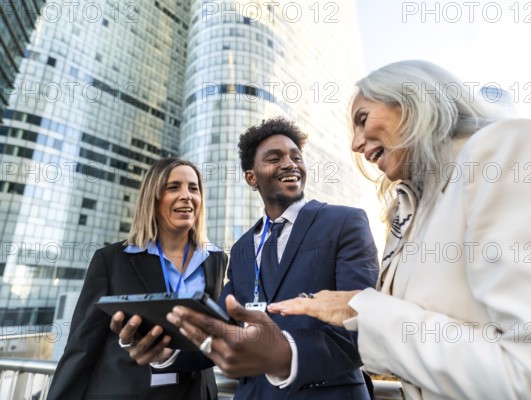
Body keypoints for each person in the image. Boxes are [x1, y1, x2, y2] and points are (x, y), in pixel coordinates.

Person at [267, 60, 531, 399]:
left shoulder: (503, 150)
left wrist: (364, 311)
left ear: (413, 102)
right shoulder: (410, 212)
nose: (355, 143)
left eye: (363, 119)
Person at [127, 117, 380, 399]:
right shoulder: (242, 249)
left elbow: (362, 324)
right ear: (252, 177)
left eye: (296, 157)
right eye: (275, 158)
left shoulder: (345, 222)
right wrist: (166, 354)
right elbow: (221, 333)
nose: (290, 163)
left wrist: (284, 355)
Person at [47, 157, 228, 400]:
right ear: (152, 198)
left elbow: (217, 332)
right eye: (173, 187)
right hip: (127, 392)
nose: (187, 195)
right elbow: (83, 343)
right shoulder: (111, 259)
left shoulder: (215, 259)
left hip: (195, 393)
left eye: (193, 188)